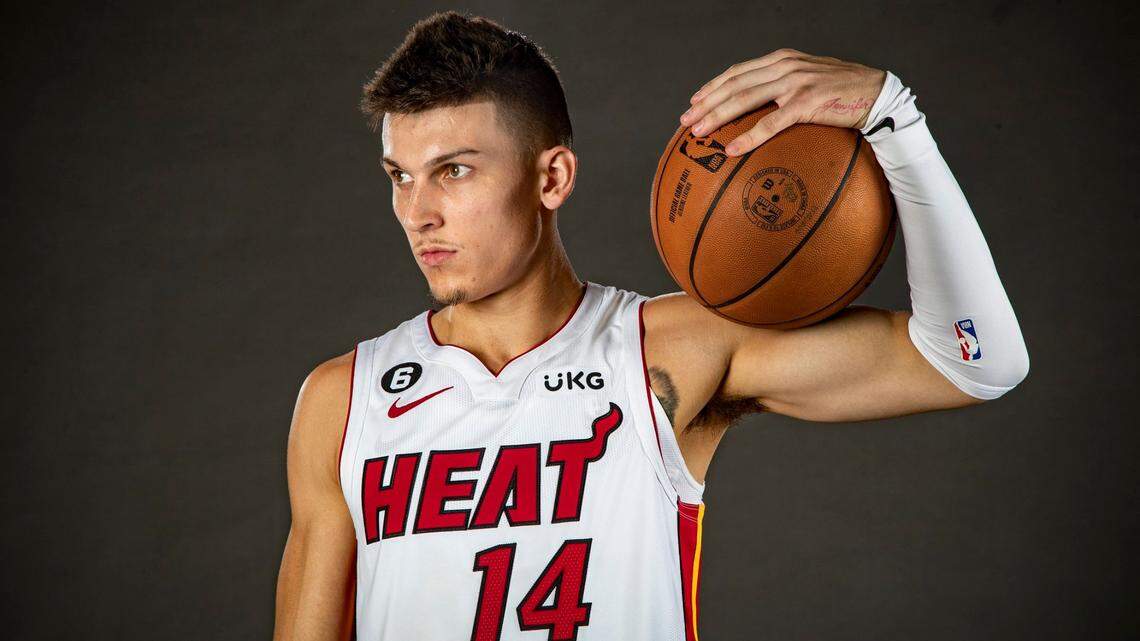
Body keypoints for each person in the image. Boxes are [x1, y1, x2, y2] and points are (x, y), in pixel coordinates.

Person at [273, 11, 1029, 641]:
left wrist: (896, 120)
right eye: (399, 176)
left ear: (551, 177)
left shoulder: (670, 350)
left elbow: (974, 359)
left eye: (454, 171)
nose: (417, 212)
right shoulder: (344, 401)